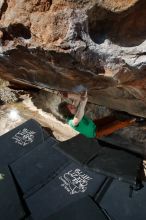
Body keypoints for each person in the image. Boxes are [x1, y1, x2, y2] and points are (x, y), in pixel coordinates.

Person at [58, 91, 137, 139]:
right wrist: (83, 102)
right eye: (70, 108)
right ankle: (135, 120)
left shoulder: (72, 110)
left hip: (94, 124)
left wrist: (67, 95)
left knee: (112, 117)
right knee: (118, 124)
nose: (73, 106)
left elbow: (78, 98)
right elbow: (79, 114)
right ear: (68, 113)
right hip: (95, 132)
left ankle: (123, 116)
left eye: (70, 105)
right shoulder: (72, 122)